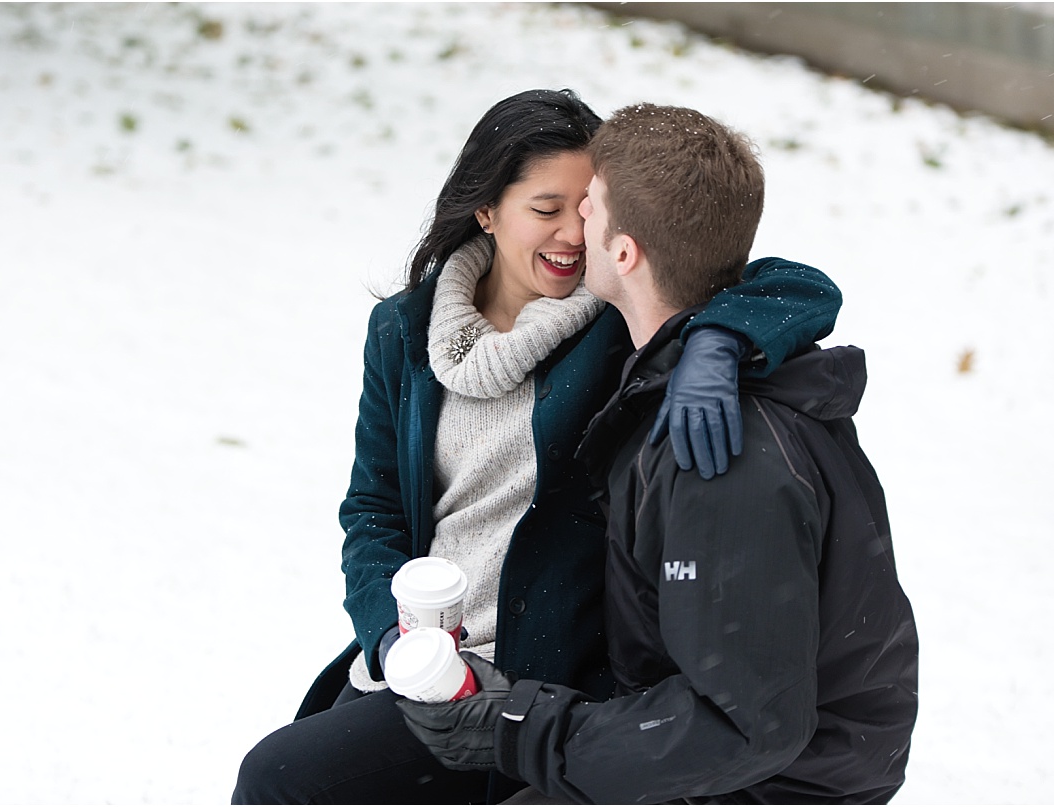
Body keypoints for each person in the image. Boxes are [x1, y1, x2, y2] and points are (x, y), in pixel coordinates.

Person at [233, 90, 844, 805]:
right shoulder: (403, 331)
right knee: (287, 775)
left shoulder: (615, 320)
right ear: (486, 209)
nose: (568, 236)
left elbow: (793, 286)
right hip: (424, 665)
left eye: (582, 210)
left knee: (282, 778)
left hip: (547, 676)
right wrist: (390, 638)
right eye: (544, 209)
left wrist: (718, 336)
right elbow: (371, 510)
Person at [397, 103, 919, 804]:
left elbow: (744, 726)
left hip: (775, 785)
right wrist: (720, 333)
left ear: (622, 252)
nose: (572, 216)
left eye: (590, 203)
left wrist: (519, 729)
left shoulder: (722, 458)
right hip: (719, 749)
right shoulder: (686, 365)